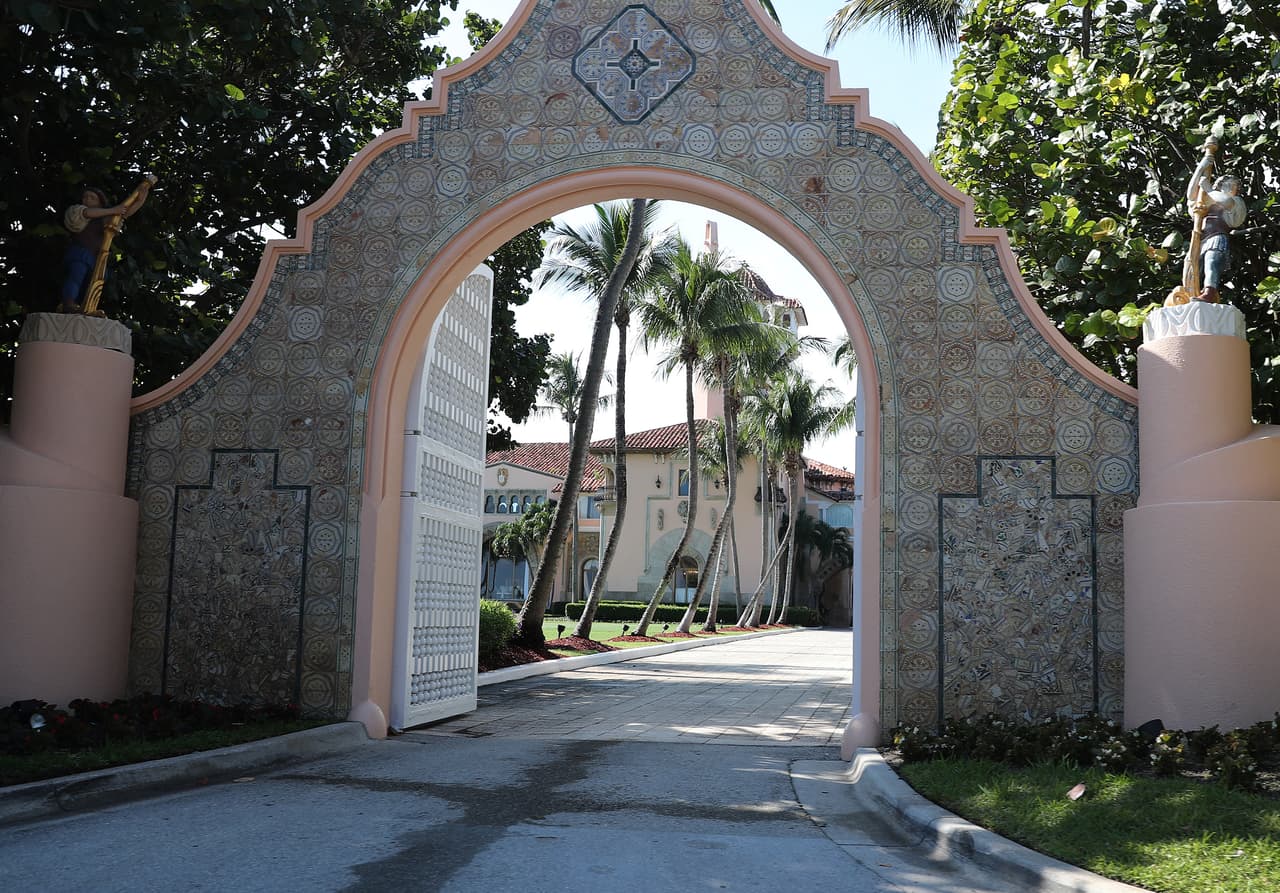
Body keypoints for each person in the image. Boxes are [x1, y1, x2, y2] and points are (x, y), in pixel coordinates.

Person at [59, 177, 154, 313]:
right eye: (85, 196)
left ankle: (82, 306)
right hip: (80, 253)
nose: (87, 199)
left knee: (89, 284)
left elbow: (123, 213)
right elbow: (88, 213)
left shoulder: (104, 217)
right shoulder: (77, 211)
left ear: (100, 202)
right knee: (76, 276)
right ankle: (68, 303)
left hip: (95, 256)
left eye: (92, 197)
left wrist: (140, 200)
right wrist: (114, 210)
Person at [1183, 148, 1247, 303]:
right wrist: (1201, 168)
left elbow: (1226, 202)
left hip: (1217, 237)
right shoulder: (1209, 201)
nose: (1232, 188)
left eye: (1234, 186)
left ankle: (1209, 292)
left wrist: (1209, 189)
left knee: (1211, 264)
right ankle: (1190, 293)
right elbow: (1191, 195)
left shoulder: (1235, 201)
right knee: (1191, 268)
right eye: (1228, 185)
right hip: (1199, 239)